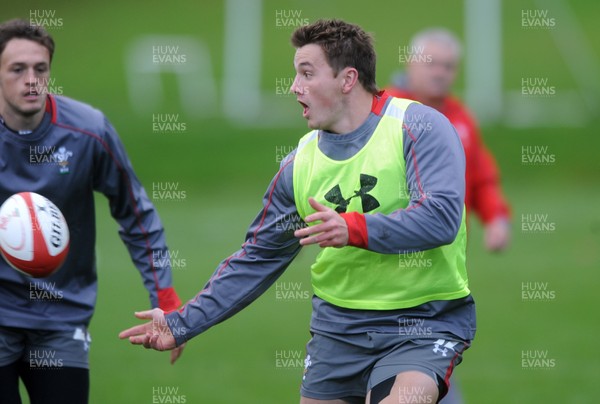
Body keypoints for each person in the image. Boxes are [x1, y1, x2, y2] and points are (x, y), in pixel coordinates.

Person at [121, 19, 476, 404]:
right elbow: (258, 257)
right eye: (295, 75)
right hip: (337, 331)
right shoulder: (299, 164)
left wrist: (352, 228)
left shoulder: (419, 126)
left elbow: (441, 217)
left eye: (307, 73)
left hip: (422, 323)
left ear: (347, 79)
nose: (294, 87)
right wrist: (181, 324)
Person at [0, 19, 184, 404]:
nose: (31, 80)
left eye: (41, 68)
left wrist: (165, 299)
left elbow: (137, 215)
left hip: (60, 316)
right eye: (18, 69)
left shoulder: (87, 131)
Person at [387, 28, 511, 253]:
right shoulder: (384, 110)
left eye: (448, 66)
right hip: (391, 243)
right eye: (431, 64)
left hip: (448, 249)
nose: (440, 73)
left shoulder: (461, 117)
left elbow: (479, 176)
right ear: (410, 63)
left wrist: (496, 218)